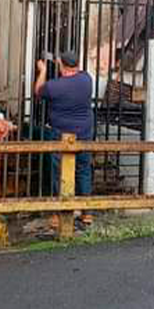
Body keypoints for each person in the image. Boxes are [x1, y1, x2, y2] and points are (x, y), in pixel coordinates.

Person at [35, 50, 94, 224]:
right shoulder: (87, 79)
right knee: (83, 171)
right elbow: (76, 72)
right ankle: (86, 212)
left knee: (58, 173)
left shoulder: (54, 86)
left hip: (61, 135)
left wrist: (43, 70)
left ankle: (58, 214)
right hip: (84, 134)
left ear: (61, 66)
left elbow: (38, 90)